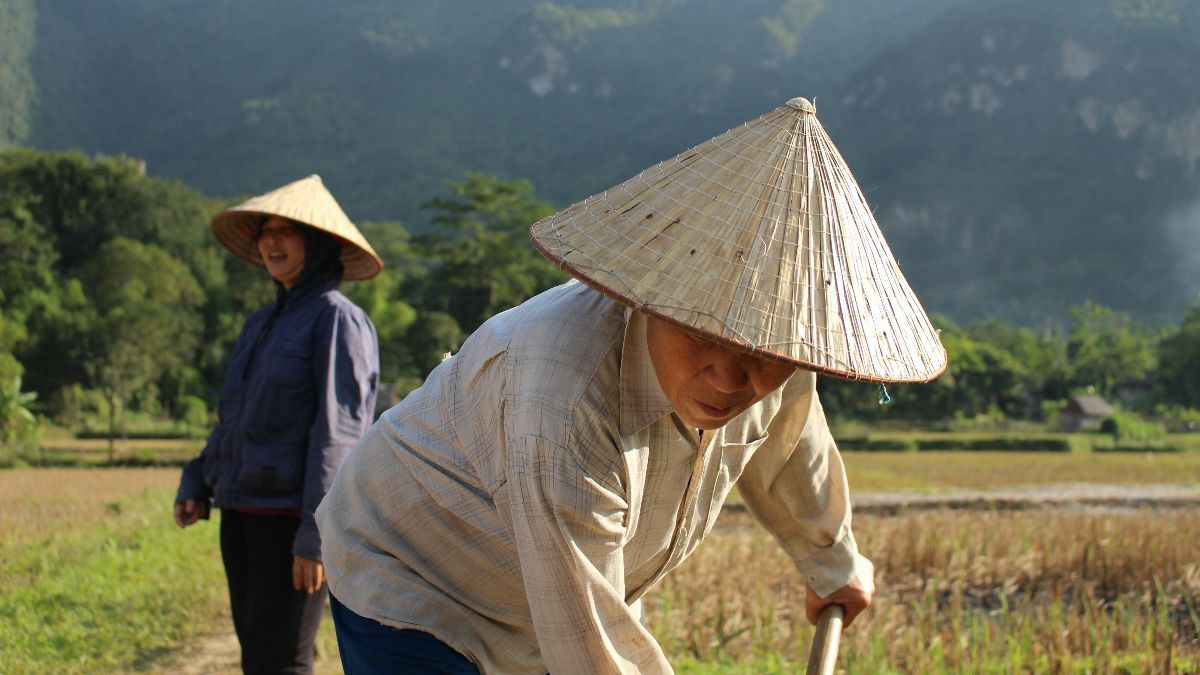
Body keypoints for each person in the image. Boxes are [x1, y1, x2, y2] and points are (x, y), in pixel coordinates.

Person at [317, 98, 947, 673]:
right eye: (702, 335)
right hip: (420, 580)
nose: (729, 379)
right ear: (653, 300)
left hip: (550, 594)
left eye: (762, 355)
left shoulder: (781, 347)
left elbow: (788, 451)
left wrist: (831, 563)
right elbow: (592, 650)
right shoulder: (560, 401)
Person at [174, 174, 384, 674]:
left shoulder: (337, 320)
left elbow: (339, 434)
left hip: (291, 521)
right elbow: (236, 420)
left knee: (282, 660)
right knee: (257, 654)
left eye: (286, 231)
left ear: (317, 242)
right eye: (265, 231)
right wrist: (198, 478)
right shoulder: (260, 324)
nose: (271, 241)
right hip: (242, 514)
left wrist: (315, 536)